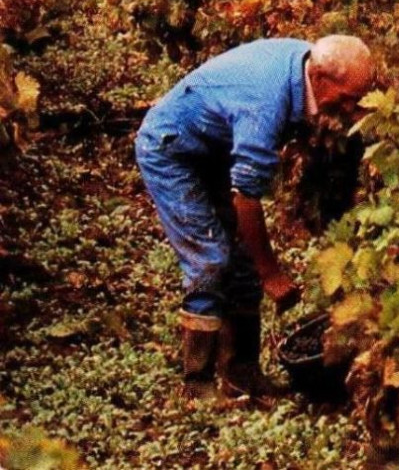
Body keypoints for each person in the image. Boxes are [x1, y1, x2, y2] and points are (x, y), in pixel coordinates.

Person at [135, 35, 375, 403]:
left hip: (212, 148)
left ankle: (241, 374)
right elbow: (246, 198)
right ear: (321, 77)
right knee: (211, 259)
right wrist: (272, 274)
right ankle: (196, 382)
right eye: (346, 98)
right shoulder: (266, 104)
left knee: (242, 264)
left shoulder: (306, 65)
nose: (350, 110)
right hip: (171, 151)